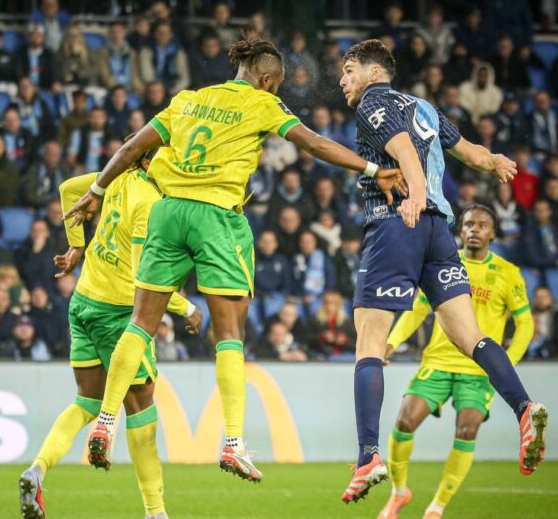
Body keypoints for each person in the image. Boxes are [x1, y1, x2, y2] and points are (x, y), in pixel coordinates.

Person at [65, 37, 405, 483]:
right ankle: (232, 442)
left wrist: (94, 192)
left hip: (166, 213)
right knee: (229, 333)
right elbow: (315, 144)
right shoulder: (263, 104)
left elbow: (129, 151)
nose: (277, 94)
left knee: (139, 324)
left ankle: (107, 421)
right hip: (216, 218)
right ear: (267, 79)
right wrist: (370, 169)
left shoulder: (189, 99)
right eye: (277, 86)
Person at [338, 39, 546, 503]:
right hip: (439, 232)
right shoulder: (424, 106)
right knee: (469, 336)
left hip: (399, 222)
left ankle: (368, 455)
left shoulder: (374, 101)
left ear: (375, 72)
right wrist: (494, 162)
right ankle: (524, 407)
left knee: (368, 341)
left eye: (349, 69)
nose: (342, 79)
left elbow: (402, 150)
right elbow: (470, 151)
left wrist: (412, 192)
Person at [18, 145, 203, 519]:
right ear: (148, 161)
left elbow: (70, 190)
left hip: (83, 301)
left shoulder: (118, 176)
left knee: (86, 400)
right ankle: (156, 512)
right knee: (141, 407)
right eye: (169, 157)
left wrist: (76, 246)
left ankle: (37, 469)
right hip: (117, 315)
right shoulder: (150, 203)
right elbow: (142, 277)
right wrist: (187, 307)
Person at [379, 205, 534, 519]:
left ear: (493, 232)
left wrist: (505, 364)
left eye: (482, 225)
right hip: (437, 361)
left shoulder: (507, 273)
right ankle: (399, 492)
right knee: (404, 422)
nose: (474, 230)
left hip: (478, 371)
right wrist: (391, 342)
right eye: (468, 224)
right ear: (460, 230)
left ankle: (436, 507)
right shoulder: (445, 264)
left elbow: (526, 324)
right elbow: (418, 309)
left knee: (467, 429)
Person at [15, 219, 57, 293]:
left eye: (41, 231)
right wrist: (35, 252)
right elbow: (27, 275)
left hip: (50, 291)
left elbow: (50, 274)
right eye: (34, 231)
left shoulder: (55, 252)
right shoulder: (21, 251)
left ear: (47, 233)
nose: (37, 234)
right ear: (30, 233)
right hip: (28, 290)